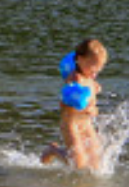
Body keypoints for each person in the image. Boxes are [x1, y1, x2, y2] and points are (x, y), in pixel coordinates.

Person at [42, 39, 107, 172]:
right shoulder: (75, 79)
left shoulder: (90, 78)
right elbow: (66, 102)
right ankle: (53, 150)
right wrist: (87, 108)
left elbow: (91, 94)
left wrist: (95, 90)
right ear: (79, 59)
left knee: (96, 162)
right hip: (71, 124)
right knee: (77, 163)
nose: (95, 73)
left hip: (86, 124)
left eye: (98, 69)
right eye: (93, 67)